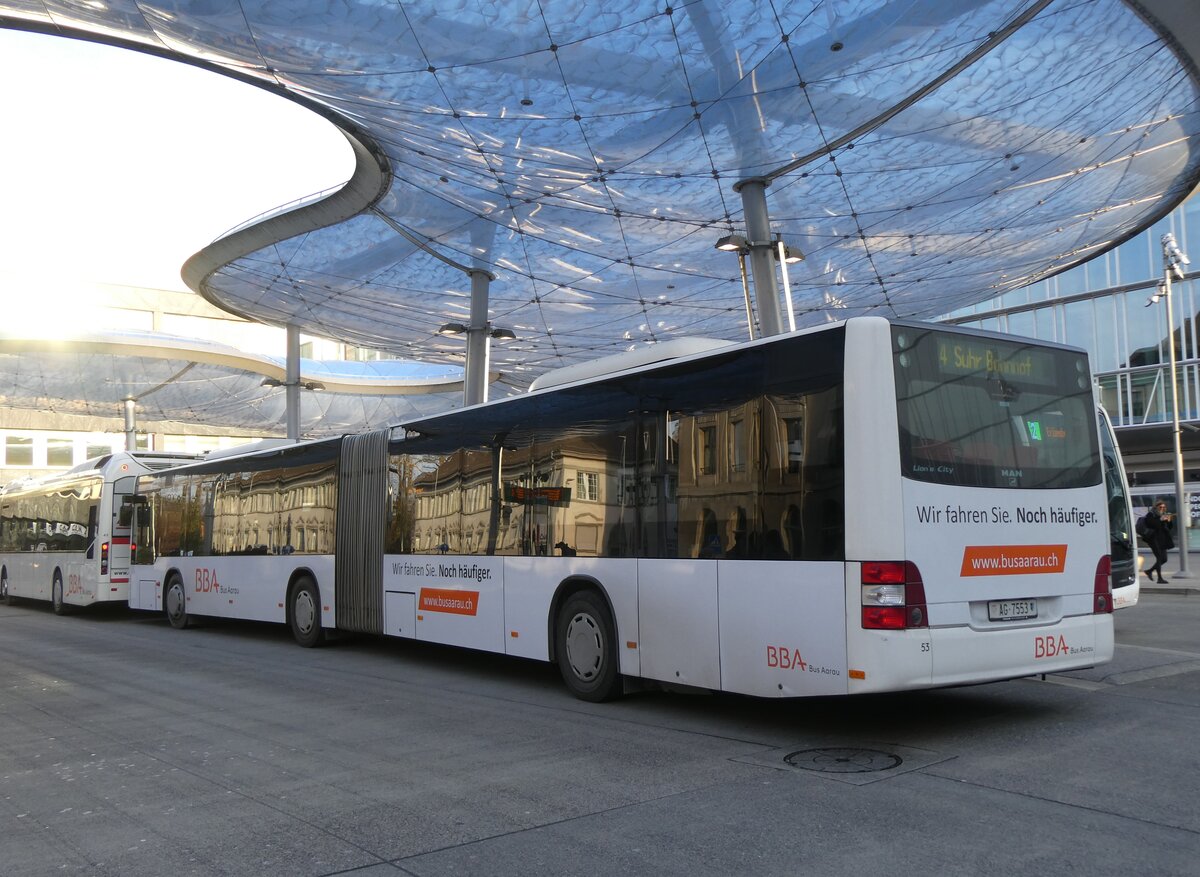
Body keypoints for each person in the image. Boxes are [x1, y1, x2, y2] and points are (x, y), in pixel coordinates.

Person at [1140, 500, 1174, 583]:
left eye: (1164, 507)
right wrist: (1161, 519)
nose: (1162, 508)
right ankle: (1159, 578)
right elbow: (1153, 525)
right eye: (1160, 507)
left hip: (1163, 540)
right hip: (1153, 539)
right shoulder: (1151, 514)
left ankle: (1149, 571)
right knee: (1159, 558)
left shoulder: (1163, 515)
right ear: (1156, 507)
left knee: (1164, 559)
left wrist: (1169, 521)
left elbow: (1169, 527)